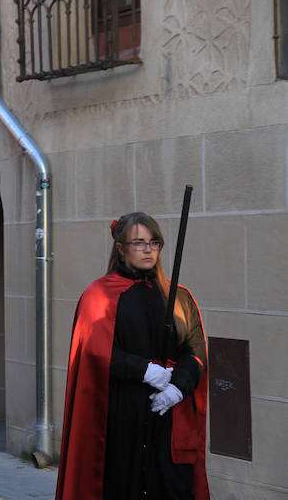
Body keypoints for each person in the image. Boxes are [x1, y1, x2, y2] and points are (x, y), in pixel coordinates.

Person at [55, 213, 209, 500]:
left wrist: (178, 387)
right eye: (139, 242)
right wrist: (144, 370)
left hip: (169, 418)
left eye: (154, 242)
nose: (148, 249)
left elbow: (195, 349)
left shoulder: (179, 297)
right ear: (121, 247)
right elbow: (94, 352)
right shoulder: (99, 295)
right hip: (123, 417)